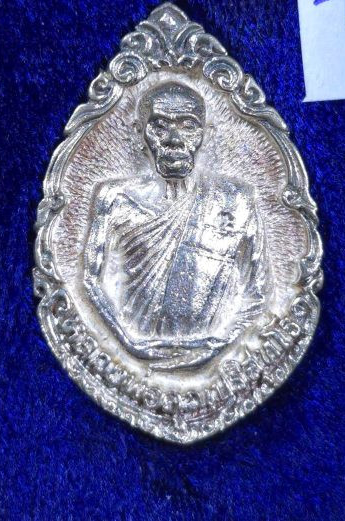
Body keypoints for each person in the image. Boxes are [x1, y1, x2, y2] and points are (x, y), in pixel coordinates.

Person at [84, 82, 270, 367]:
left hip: (214, 350)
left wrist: (217, 346)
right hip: (134, 347)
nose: (173, 139)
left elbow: (258, 292)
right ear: (138, 132)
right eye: (159, 127)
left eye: (188, 126)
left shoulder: (236, 199)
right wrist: (128, 342)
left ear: (207, 134)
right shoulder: (114, 198)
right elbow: (91, 280)